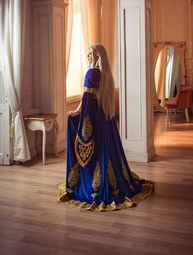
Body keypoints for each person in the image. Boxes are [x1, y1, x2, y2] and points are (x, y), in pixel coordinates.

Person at [57, 44, 154, 211]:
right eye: (87, 54)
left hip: (94, 117)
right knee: (106, 149)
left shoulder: (92, 72)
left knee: (98, 150)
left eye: (91, 55)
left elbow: (87, 97)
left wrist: (78, 114)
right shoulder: (104, 73)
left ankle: (97, 188)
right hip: (104, 117)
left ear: (97, 57)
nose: (88, 57)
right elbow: (90, 95)